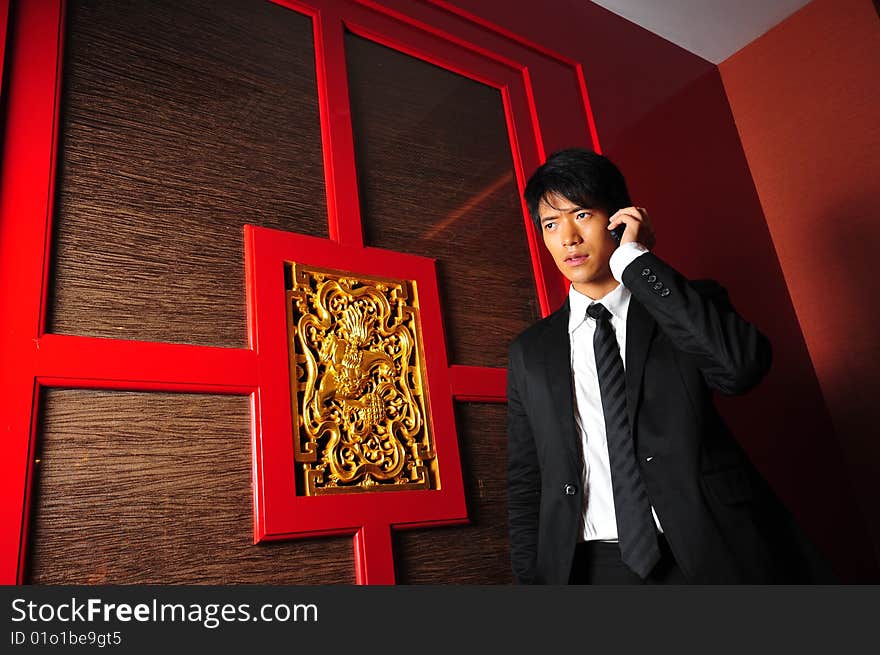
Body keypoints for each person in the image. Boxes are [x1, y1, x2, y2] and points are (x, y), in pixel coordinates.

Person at [507, 147, 832, 584]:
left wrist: (635, 261)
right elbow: (527, 478)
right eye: (551, 223)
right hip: (590, 570)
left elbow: (739, 369)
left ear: (618, 218)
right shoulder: (531, 351)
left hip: (705, 551)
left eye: (581, 214)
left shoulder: (681, 307)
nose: (567, 237)